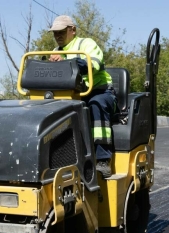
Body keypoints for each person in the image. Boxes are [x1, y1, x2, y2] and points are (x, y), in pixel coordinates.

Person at [49, 15, 117, 178]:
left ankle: (103, 160)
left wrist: (65, 61)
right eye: (55, 33)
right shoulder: (54, 52)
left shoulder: (86, 44)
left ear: (72, 30)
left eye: (61, 32)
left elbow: (93, 65)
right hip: (72, 94)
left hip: (100, 92)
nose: (57, 36)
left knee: (95, 105)